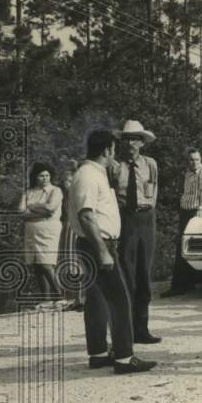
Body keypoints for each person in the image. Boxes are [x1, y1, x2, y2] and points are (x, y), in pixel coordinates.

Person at [68, 129, 156, 374]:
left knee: (97, 301)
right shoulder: (88, 175)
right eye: (113, 149)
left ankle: (97, 353)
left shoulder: (92, 173)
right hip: (99, 244)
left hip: (96, 244)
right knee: (120, 300)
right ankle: (124, 359)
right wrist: (103, 251)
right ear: (107, 150)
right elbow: (86, 216)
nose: (114, 153)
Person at [114, 120, 162, 344]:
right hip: (125, 218)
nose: (130, 143)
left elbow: (153, 191)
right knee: (126, 271)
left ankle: (142, 328)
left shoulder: (150, 164)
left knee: (144, 272)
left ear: (142, 142)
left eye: (134, 139)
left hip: (146, 218)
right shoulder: (115, 167)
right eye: (126, 139)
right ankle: (126, 329)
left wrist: (150, 212)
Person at [163, 147, 202, 297]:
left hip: (195, 212)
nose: (194, 162)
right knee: (186, 246)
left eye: (197, 159)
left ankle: (178, 286)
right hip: (186, 212)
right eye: (191, 160)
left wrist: (201, 208)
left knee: (182, 247)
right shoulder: (188, 173)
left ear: (200, 160)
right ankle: (190, 282)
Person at [19, 162, 63, 307]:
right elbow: (21, 211)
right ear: (35, 177)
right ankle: (46, 299)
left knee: (46, 262)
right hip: (32, 230)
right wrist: (41, 209)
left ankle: (59, 295)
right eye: (41, 175)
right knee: (36, 264)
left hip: (49, 229)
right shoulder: (29, 192)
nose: (45, 178)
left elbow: (51, 209)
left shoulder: (55, 191)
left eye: (47, 175)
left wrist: (31, 206)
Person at [58, 158, 85, 311]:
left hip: (76, 228)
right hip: (68, 228)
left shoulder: (78, 193)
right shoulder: (65, 197)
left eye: (68, 181)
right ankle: (76, 299)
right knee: (70, 264)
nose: (66, 184)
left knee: (78, 262)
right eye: (64, 181)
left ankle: (81, 299)